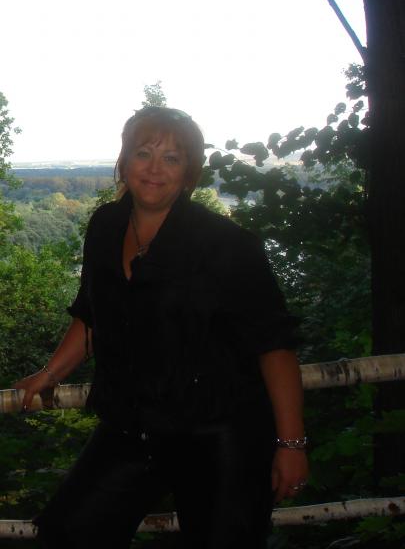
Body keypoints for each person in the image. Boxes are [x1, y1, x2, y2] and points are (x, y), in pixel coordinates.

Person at [15, 106, 309, 549]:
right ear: (124, 160)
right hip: (132, 426)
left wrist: (291, 444)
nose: (155, 169)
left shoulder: (226, 244)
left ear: (188, 172)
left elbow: (274, 346)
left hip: (219, 433)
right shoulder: (105, 226)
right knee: (67, 532)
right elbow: (92, 314)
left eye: (171, 158)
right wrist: (50, 373)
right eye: (144, 153)